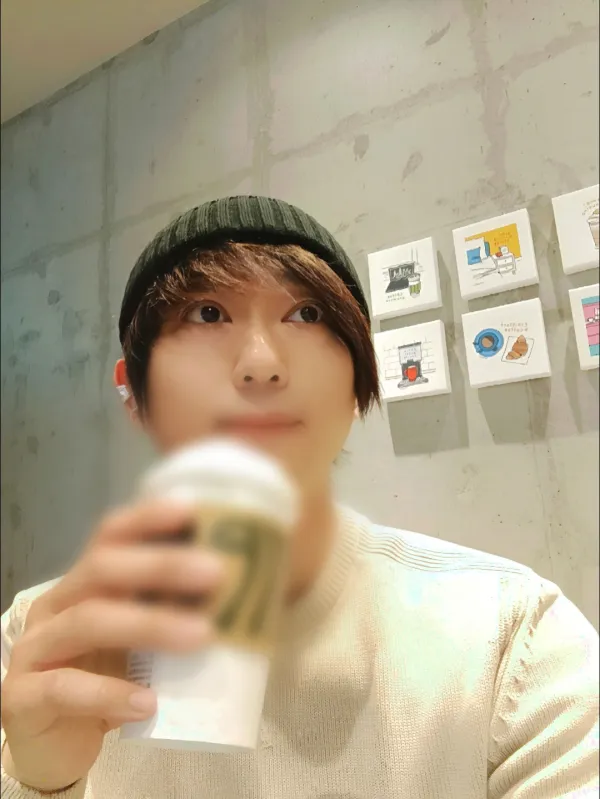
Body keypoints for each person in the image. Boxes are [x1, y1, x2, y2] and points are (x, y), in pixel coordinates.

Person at [1, 196, 598, 798]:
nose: (261, 366)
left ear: (357, 381)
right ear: (133, 392)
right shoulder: (33, 639)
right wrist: (39, 782)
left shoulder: (513, 638)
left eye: (308, 314)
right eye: (206, 314)